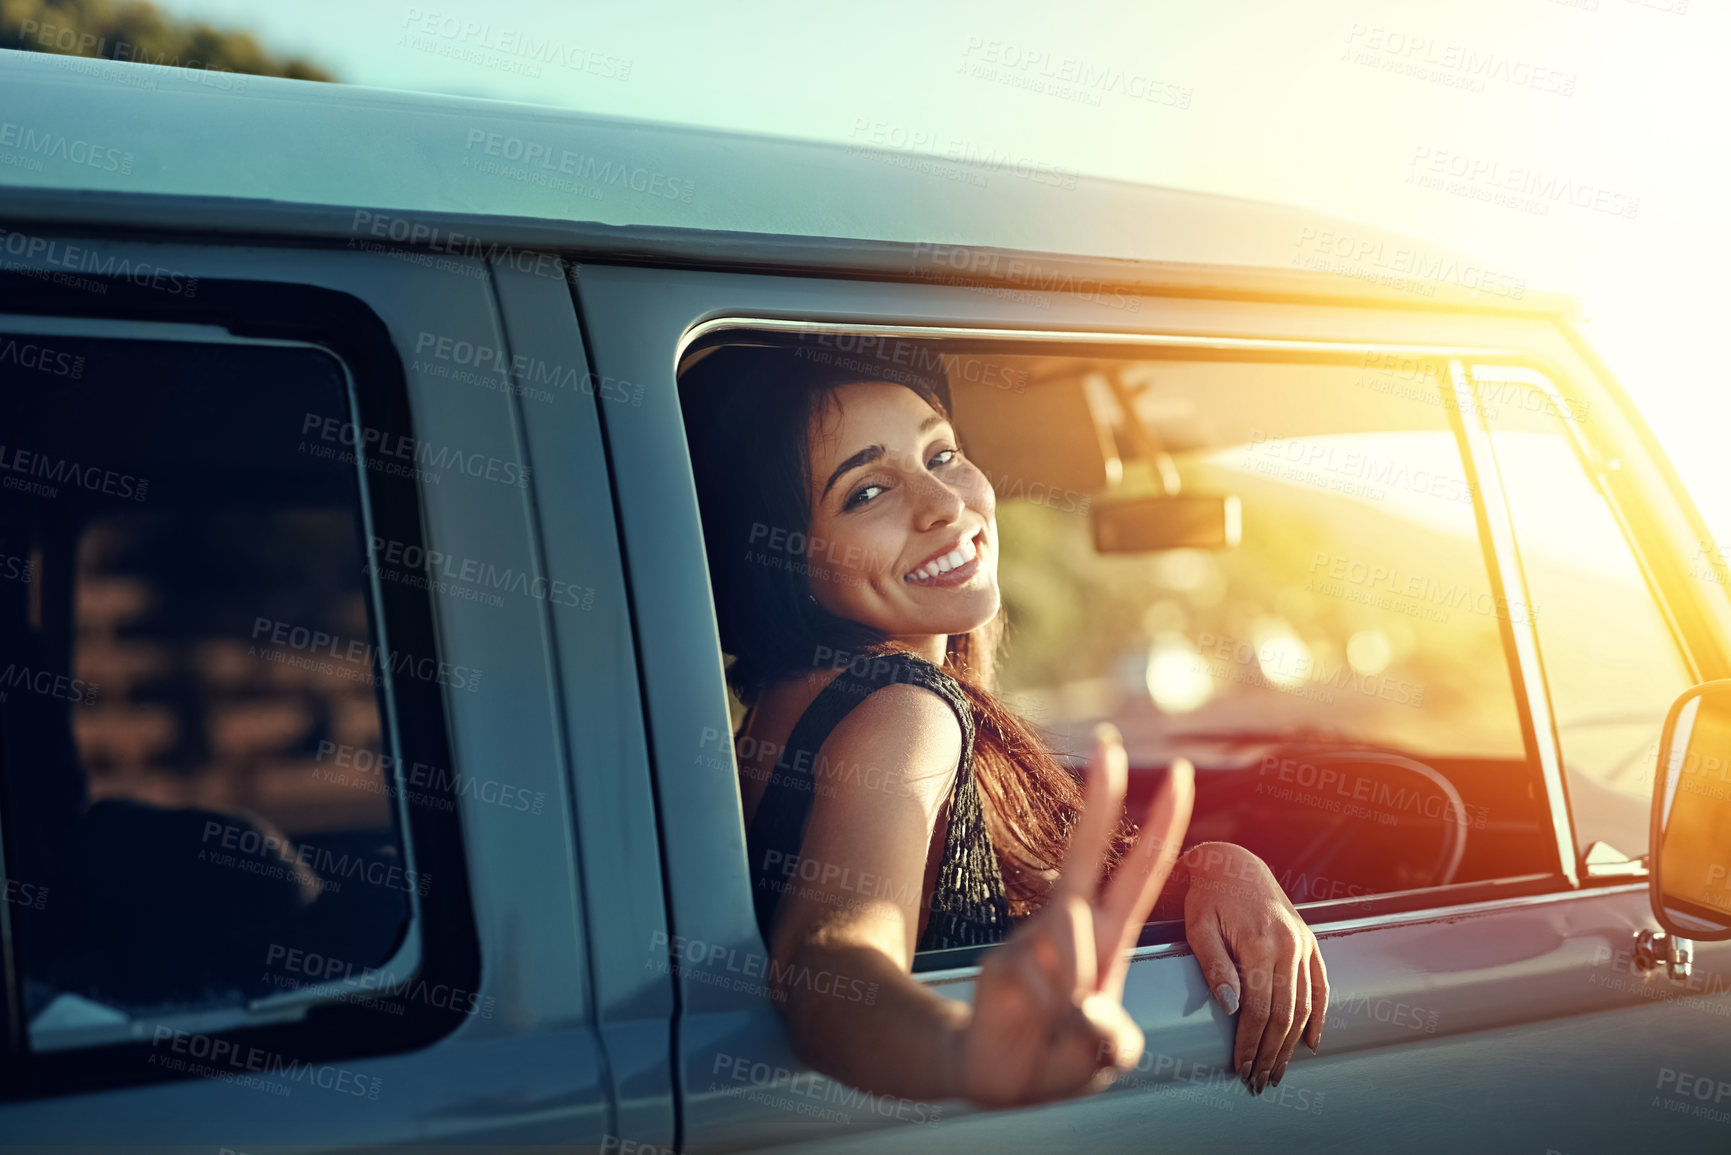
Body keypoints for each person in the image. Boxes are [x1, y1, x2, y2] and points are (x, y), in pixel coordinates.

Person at [682, 343, 1327, 1109]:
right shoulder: (904, 709)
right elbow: (828, 957)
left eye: (941, 452)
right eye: (866, 491)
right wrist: (962, 1050)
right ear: (780, 556)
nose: (944, 503)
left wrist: (1212, 864)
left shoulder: (781, 712)